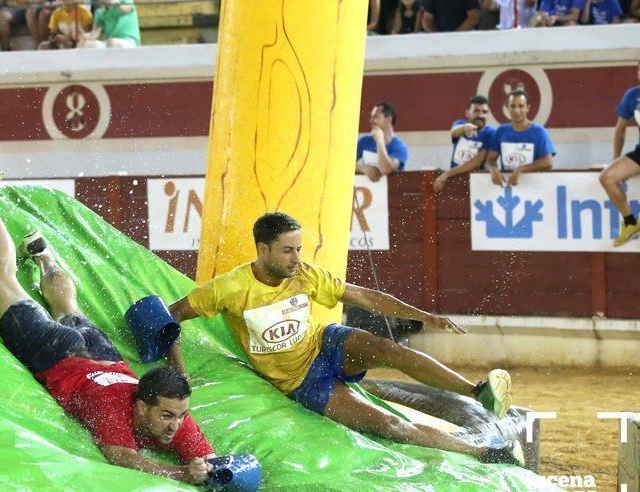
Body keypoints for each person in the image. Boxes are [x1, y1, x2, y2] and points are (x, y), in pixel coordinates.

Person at [166, 212, 523, 466]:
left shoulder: (304, 274)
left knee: (387, 348)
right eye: (287, 250)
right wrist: (177, 368)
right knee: (388, 425)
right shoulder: (231, 288)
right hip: (301, 381)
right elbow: (173, 314)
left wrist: (422, 315)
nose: (296, 259)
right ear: (262, 250)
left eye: (299, 249)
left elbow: (363, 296)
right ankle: (482, 453)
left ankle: (478, 392)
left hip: (324, 343)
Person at [0, 161, 217, 484]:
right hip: (57, 353)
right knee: (4, 282)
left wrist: (216, 471)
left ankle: (44, 256)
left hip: (100, 352)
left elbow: (213, 461)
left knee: (67, 305)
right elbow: (122, 457)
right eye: (166, 416)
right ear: (141, 408)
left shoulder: (173, 412)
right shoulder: (114, 409)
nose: (175, 426)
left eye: (180, 416)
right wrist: (182, 472)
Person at [599, 57, 640, 247]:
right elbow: (621, 129)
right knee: (607, 177)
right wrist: (616, 159)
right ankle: (631, 223)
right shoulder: (632, 95)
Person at [485, 89, 556, 187]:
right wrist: (493, 170)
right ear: (507, 108)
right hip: (508, 189)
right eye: (513, 106)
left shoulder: (539, 131)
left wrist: (520, 169)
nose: (516, 110)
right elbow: (490, 160)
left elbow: (548, 162)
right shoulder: (501, 131)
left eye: (521, 106)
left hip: (534, 188)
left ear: (528, 107)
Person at [434, 96, 497, 192]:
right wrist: (465, 127)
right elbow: (454, 132)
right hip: (454, 183)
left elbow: (477, 162)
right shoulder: (459, 124)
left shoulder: (490, 132)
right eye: (476, 111)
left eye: (484, 112)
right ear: (467, 113)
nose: (480, 115)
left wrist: (447, 174)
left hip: (479, 187)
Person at [355, 102, 409, 183]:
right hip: (367, 192)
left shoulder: (400, 147)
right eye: (371, 117)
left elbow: (385, 169)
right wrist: (364, 169)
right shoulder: (364, 141)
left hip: (391, 193)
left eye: (375, 116)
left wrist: (379, 141)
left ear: (388, 119)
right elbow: (346, 162)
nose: (371, 120)